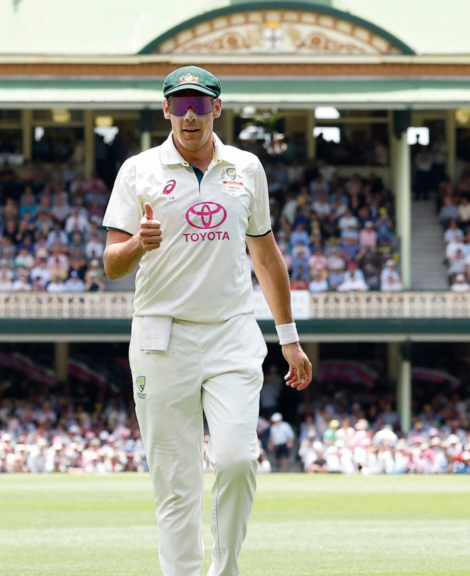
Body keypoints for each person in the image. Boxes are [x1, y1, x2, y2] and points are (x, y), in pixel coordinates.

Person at [100, 65, 312, 576]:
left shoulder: (247, 168)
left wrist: (290, 340)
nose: (189, 115)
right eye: (180, 104)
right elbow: (111, 264)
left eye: (200, 104)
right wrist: (137, 244)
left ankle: (226, 570)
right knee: (176, 480)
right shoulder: (138, 170)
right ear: (166, 109)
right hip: (160, 334)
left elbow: (266, 256)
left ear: (217, 108)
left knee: (238, 460)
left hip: (231, 332)